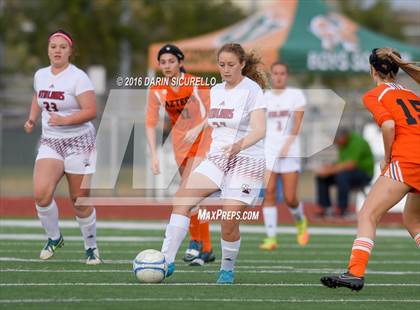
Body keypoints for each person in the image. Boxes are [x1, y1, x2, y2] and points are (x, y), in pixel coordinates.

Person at [160, 43, 267, 284]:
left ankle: (227, 268)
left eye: (231, 65)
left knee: (228, 221)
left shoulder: (252, 91)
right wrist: (198, 127)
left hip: (247, 160)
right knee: (182, 200)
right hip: (218, 156)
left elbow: (260, 129)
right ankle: (165, 261)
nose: (226, 69)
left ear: (242, 64)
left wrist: (238, 145)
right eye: (222, 65)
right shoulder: (216, 90)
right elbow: (215, 116)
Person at [321, 47, 420, 291]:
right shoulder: (412, 94)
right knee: (413, 221)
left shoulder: (375, 94)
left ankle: (355, 273)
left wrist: (387, 159)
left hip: (408, 159)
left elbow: (388, 125)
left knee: (367, 215)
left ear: (372, 69)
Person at [23, 30, 101, 264]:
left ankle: (91, 246)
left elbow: (91, 111)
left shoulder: (78, 77)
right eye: (53, 46)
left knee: (79, 199)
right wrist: (31, 119)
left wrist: (65, 120)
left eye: (62, 47)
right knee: (41, 194)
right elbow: (38, 97)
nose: (57, 50)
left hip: (80, 141)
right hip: (51, 140)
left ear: (70, 51)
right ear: (48, 50)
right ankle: (54, 237)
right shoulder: (40, 75)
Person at [146, 44, 215, 266]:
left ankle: (196, 243)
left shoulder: (195, 83)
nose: (167, 66)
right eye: (163, 62)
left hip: (204, 140)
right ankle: (206, 248)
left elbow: (214, 111)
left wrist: (198, 128)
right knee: (192, 196)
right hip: (180, 145)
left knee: (187, 193)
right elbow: (150, 122)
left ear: (180, 62)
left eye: (171, 61)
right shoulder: (157, 89)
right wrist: (154, 155)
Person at [260, 62, 309, 250]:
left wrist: (287, 145)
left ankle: (300, 220)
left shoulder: (295, 95)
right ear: (271, 75)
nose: (279, 76)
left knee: (289, 198)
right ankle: (271, 238)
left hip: (290, 151)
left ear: (286, 76)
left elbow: (297, 123)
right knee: (269, 192)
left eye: (282, 73)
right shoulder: (265, 97)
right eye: (275, 73)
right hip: (269, 151)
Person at [315, 128, 374, 218]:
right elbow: (341, 164)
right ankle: (326, 208)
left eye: (337, 141)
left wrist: (329, 170)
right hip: (347, 173)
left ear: (344, 137)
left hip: (364, 173)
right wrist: (327, 169)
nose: (336, 144)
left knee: (342, 176)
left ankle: (343, 209)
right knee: (322, 177)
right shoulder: (342, 144)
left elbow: (351, 164)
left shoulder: (357, 141)